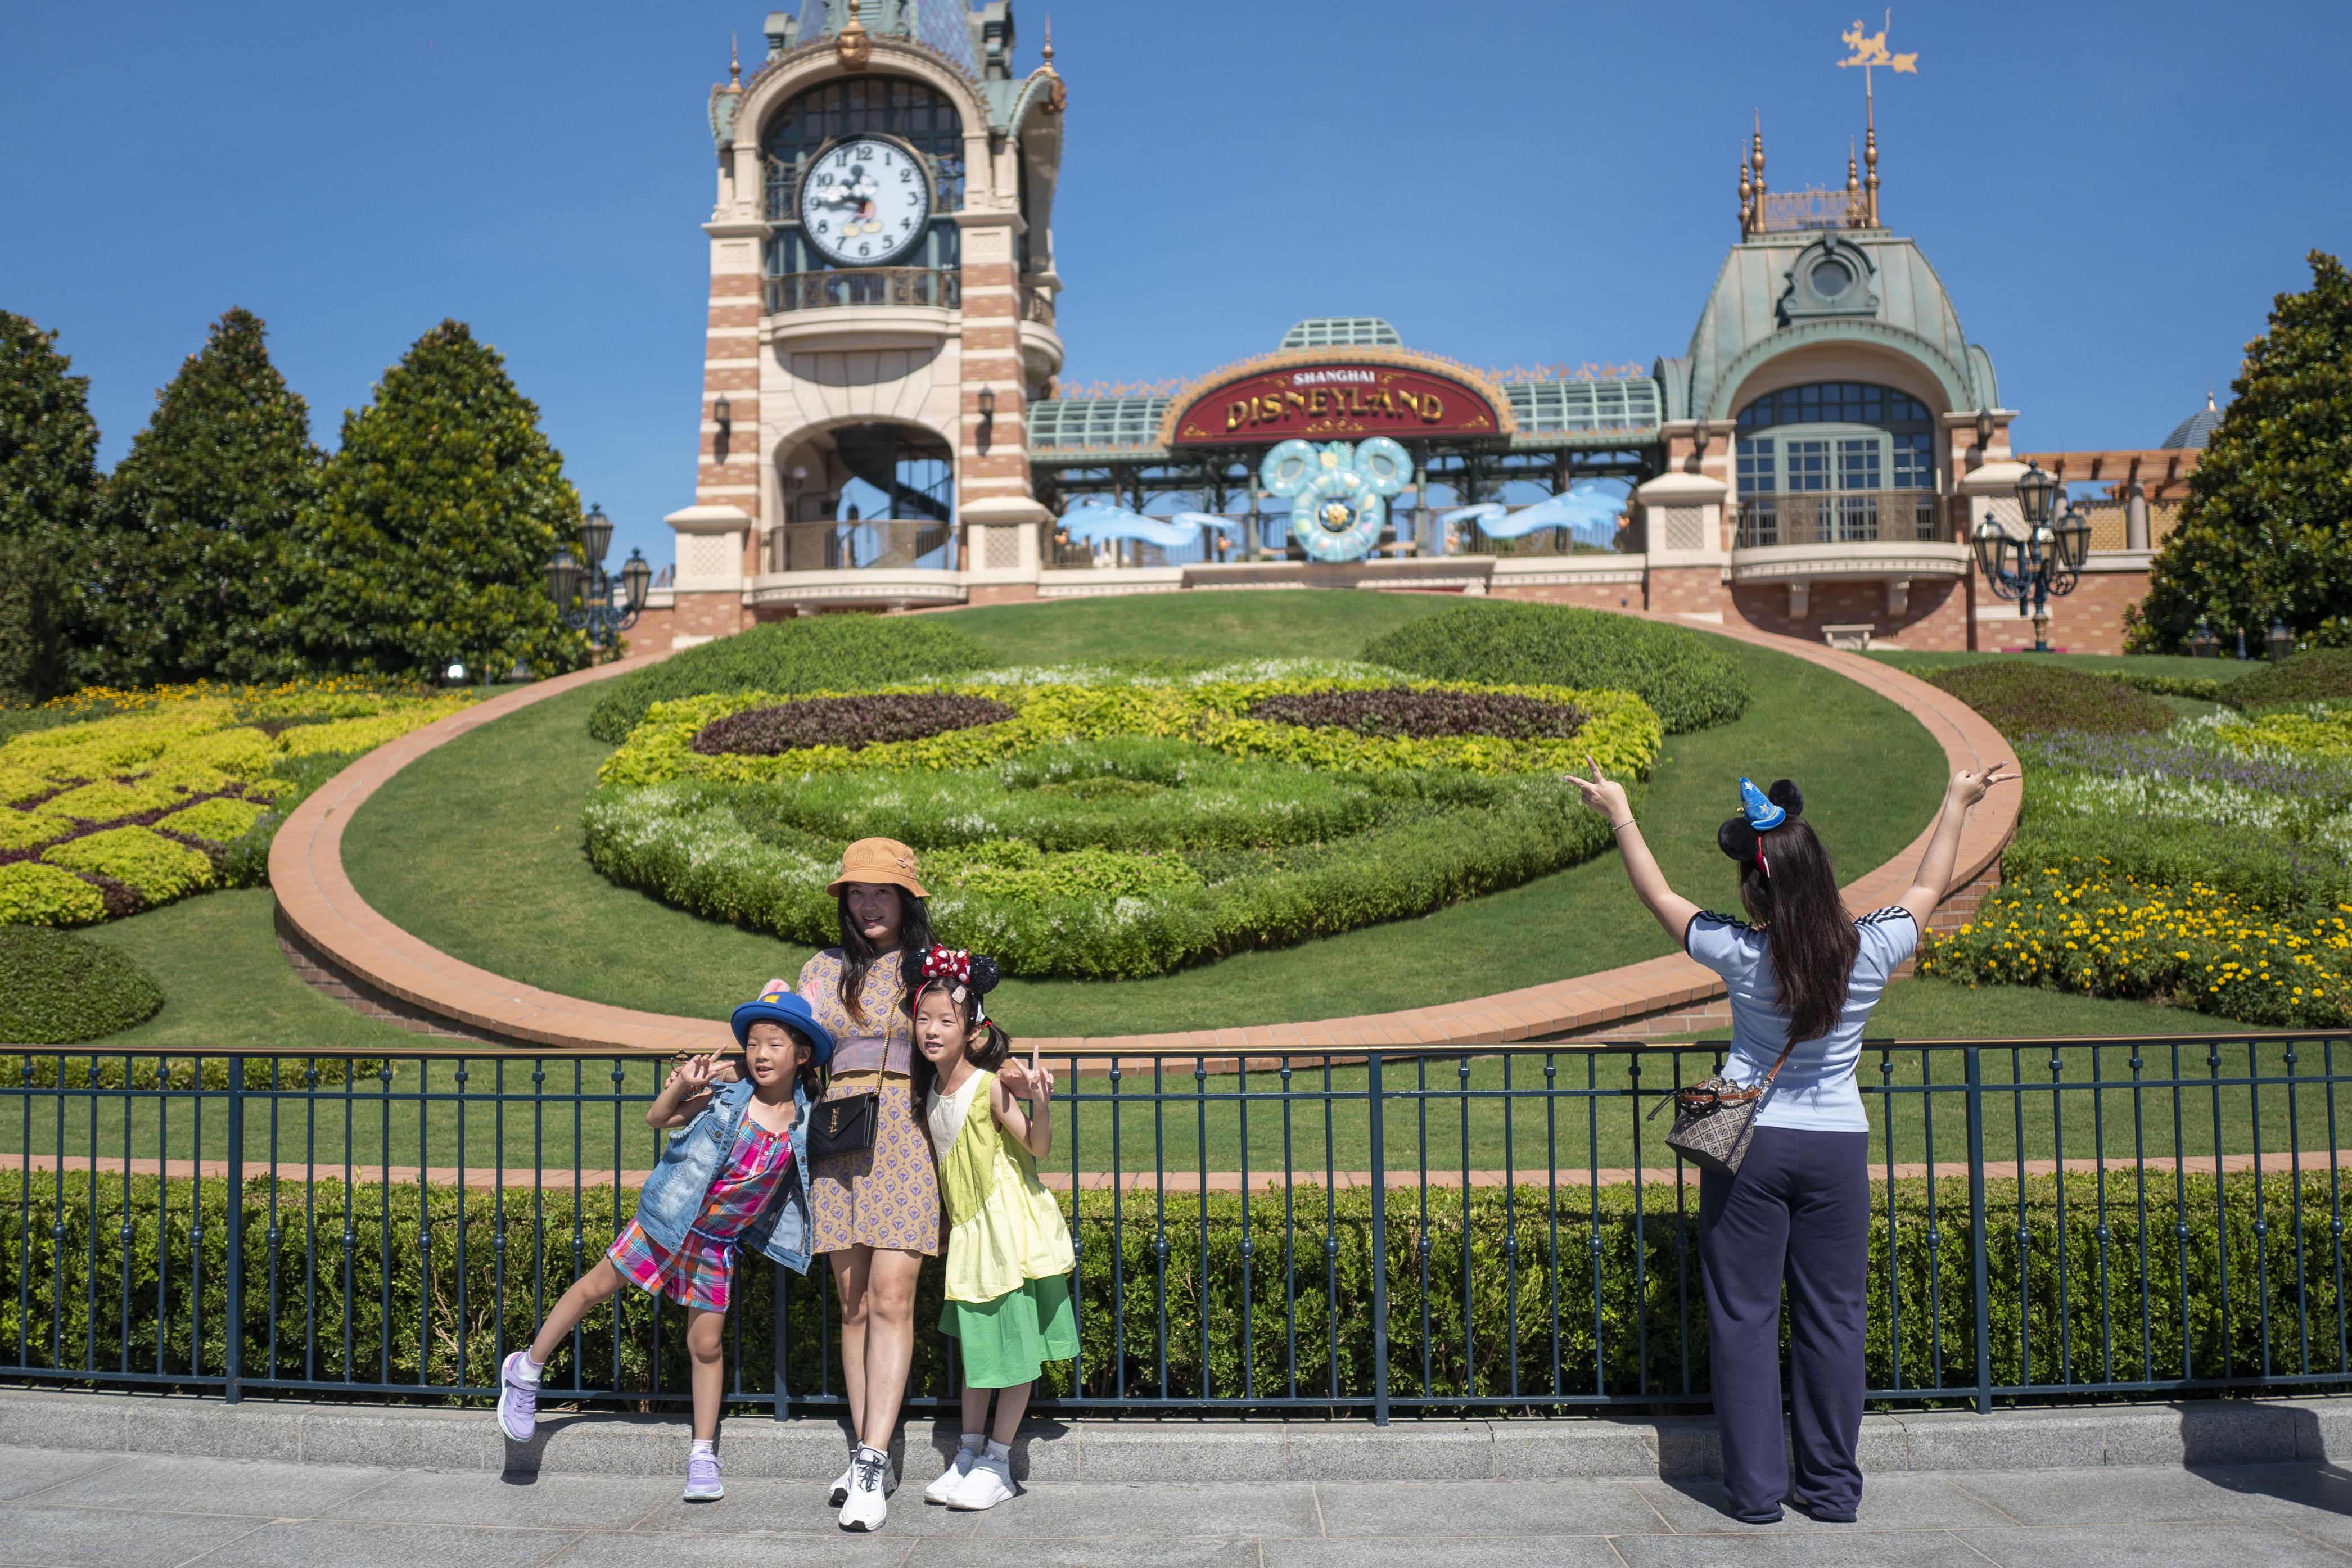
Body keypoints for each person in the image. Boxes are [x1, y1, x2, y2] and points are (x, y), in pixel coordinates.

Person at [1568, 758, 2011, 1525]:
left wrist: (1618, 811)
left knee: (1743, 1317)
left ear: (1756, 886)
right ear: (1820, 874)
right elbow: (1926, 888)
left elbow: (1659, 896)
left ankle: (1752, 1494)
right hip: (1836, 1147)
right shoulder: (1870, 950)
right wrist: (1954, 803)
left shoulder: (1741, 955)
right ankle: (1832, 1491)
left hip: (1751, 1147)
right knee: (1832, 1317)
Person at [494, 985, 832, 1503]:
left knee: (706, 1346)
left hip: (716, 1243)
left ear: (802, 1055)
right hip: (669, 1221)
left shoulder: (808, 1119)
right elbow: (659, 1118)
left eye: (775, 1045)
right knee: (591, 1290)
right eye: (754, 1044)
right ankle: (525, 1370)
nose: (761, 1055)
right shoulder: (727, 1095)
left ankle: (702, 1455)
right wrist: (683, 1086)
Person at [783, 837, 941, 1532]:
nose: (868, 902)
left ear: (907, 898)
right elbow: (787, 1043)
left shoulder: (929, 968)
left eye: (882, 890)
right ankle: (862, 1448)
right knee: (851, 1303)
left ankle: (874, 1458)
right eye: (857, 891)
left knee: (891, 1296)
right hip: (838, 1136)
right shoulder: (820, 969)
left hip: (905, 1133)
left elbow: (968, 1037)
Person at [903, 946, 1075, 1512]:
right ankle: (969, 1451)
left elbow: (1038, 1147)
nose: (932, 1030)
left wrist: (1043, 1103)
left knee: (1013, 1350)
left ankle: (999, 1460)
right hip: (974, 1236)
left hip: (1007, 1233)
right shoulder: (930, 1089)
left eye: (945, 1020)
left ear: (971, 1029)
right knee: (981, 1352)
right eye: (924, 1018)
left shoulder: (989, 1085)